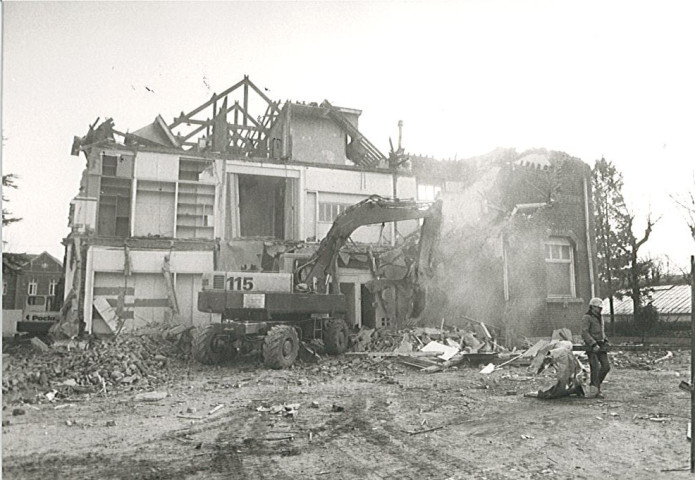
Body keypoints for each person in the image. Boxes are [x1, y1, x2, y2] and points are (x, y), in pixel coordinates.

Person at [581, 297, 611, 398]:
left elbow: (602, 331)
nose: (600, 310)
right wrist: (593, 344)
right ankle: (595, 391)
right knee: (594, 367)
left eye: (600, 308)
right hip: (591, 346)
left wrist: (605, 339)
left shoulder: (600, 318)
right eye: (598, 308)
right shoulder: (587, 317)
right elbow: (584, 332)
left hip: (601, 344)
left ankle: (595, 385)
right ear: (592, 307)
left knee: (606, 367)